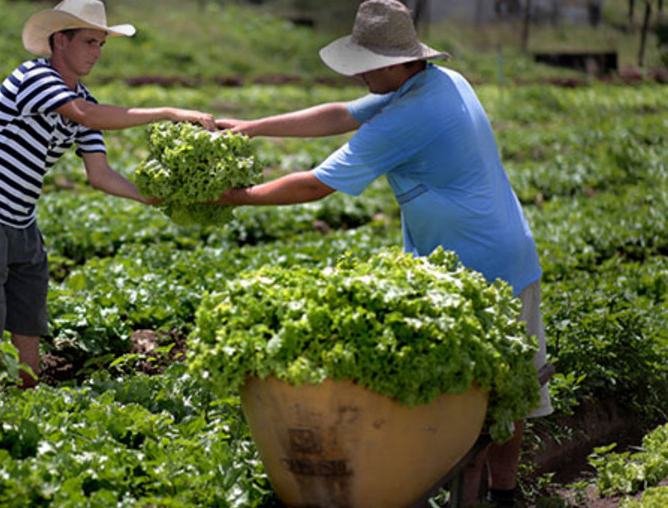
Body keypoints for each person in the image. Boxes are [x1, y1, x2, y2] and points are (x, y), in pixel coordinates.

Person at [214, 1, 552, 506]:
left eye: (365, 65)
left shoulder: (413, 112)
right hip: (470, 254)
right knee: (478, 391)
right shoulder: (436, 81)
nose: (359, 76)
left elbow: (315, 186)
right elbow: (340, 115)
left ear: (398, 62)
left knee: (503, 392)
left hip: (488, 261)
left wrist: (232, 196)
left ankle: (501, 497)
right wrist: (252, 126)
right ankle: (484, 494)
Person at [0, 0, 215, 389]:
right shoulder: (34, 78)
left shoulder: (84, 98)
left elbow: (100, 174)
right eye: (89, 42)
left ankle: (25, 402)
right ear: (59, 41)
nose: (96, 53)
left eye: (101, 44)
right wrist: (169, 111)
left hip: (20, 219)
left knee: (27, 318)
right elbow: (85, 116)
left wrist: (157, 198)